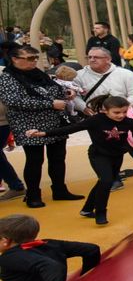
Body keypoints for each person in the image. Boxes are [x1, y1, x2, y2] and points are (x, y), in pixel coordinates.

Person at [26, 95, 133, 224]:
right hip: (98, 155)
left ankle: (87, 209)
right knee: (106, 181)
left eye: (124, 112)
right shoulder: (95, 120)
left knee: (103, 182)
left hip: (117, 155)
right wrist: (44, 133)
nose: (121, 115)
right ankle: (100, 212)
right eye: (116, 112)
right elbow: (71, 129)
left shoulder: (129, 122)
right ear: (105, 110)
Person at [0, 42, 80, 208]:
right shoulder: (7, 77)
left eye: (35, 58)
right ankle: (33, 194)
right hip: (28, 124)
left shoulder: (39, 73)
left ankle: (59, 190)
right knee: (35, 160)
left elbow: (53, 89)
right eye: (29, 58)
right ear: (14, 59)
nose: (33, 61)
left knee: (58, 157)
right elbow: (14, 101)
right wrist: (50, 104)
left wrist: (66, 93)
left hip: (54, 121)